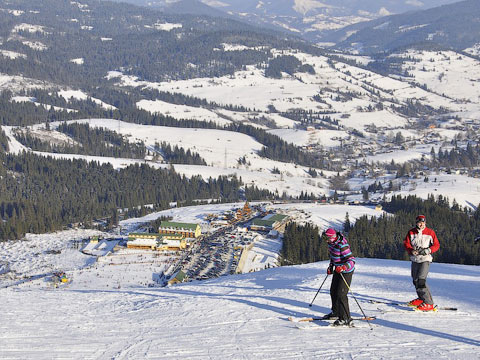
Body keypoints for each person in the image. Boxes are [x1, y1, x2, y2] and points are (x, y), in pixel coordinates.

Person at [403, 214, 440, 311]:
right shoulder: (411, 232)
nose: (421, 224)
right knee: (415, 280)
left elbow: (436, 245)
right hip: (415, 259)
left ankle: (428, 303)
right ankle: (421, 299)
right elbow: (406, 243)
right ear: (416, 223)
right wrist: (411, 250)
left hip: (425, 259)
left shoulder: (430, 232)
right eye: (419, 223)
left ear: (425, 223)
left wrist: (428, 250)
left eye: (423, 223)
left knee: (421, 280)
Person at [322, 227, 356, 326]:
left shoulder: (342, 245)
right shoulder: (331, 244)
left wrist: (343, 267)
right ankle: (336, 313)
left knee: (341, 294)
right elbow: (334, 257)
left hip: (346, 271)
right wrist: (331, 267)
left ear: (333, 237)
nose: (326, 240)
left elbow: (352, 261)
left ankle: (345, 318)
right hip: (338, 270)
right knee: (333, 291)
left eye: (327, 238)